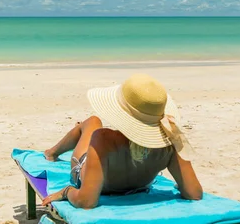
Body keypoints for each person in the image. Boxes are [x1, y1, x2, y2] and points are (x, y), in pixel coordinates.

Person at [42, 73, 202, 209]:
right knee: (93, 124)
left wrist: (66, 192)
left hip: (96, 183)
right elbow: (194, 193)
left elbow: (86, 202)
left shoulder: (104, 139)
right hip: (139, 187)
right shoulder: (171, 140)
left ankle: (52, 153)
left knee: (92, 121)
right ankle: (53, 152)